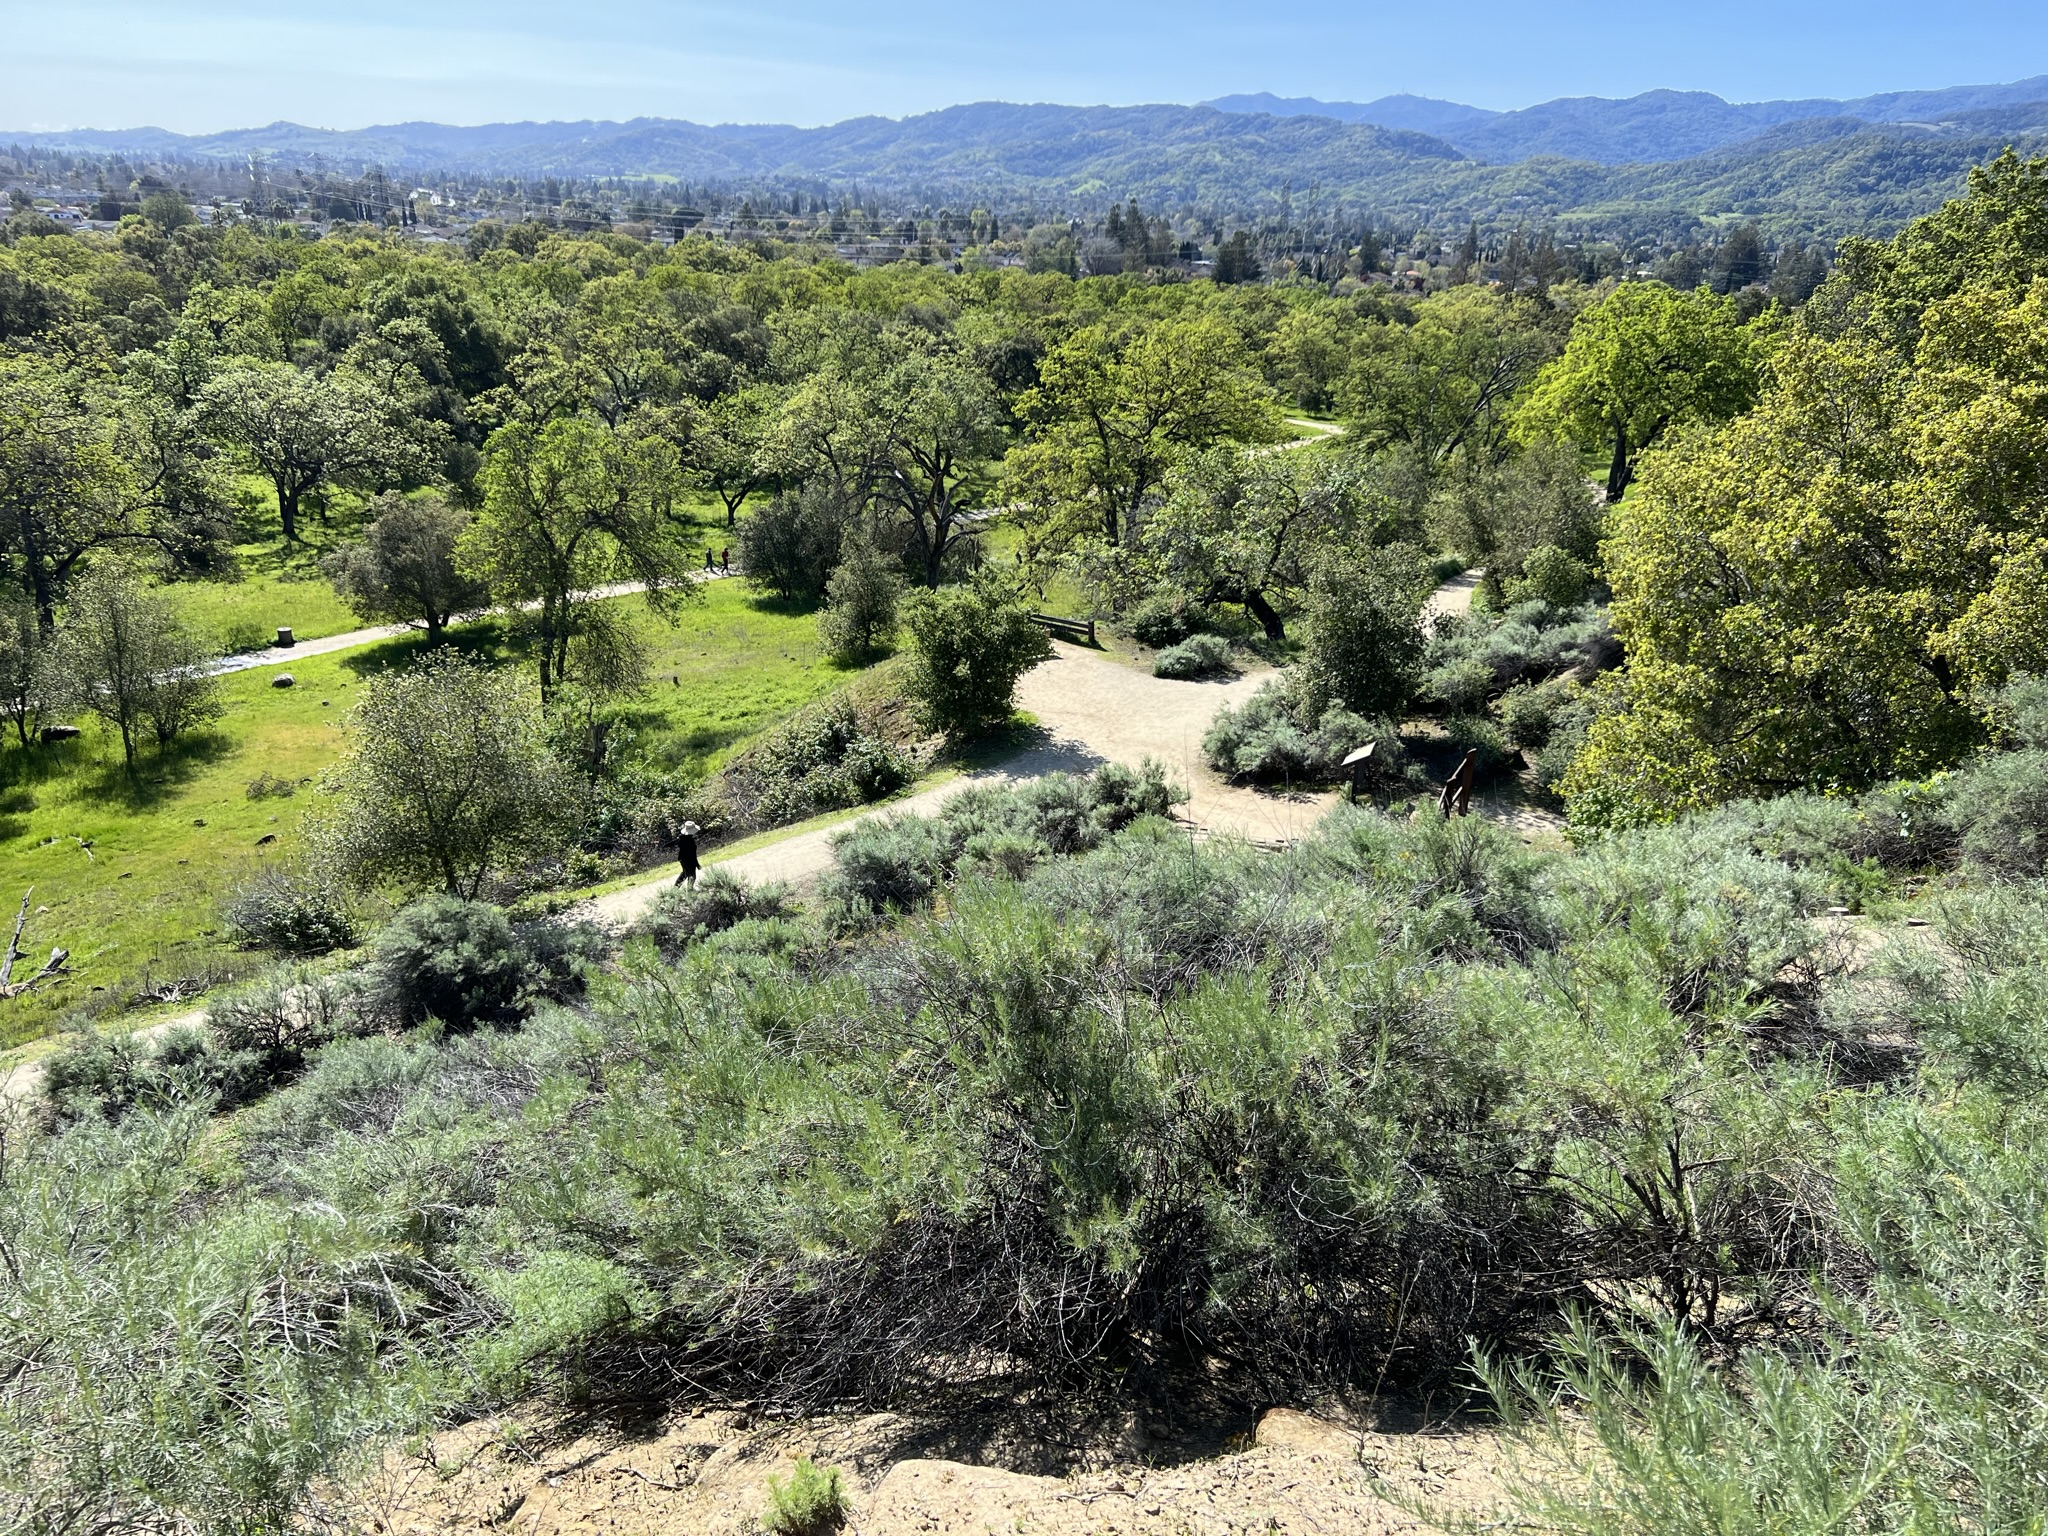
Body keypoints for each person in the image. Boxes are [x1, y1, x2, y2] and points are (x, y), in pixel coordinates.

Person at [674, 819, 701, 888]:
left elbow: (673, 843)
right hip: (689, 860)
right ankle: (690, 890)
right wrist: (697, 865)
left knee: (685, 873)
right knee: (692, 876)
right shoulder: (691, 841)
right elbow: (693, 855)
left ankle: (675, 888)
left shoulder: (681, 838)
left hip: (682, 859)